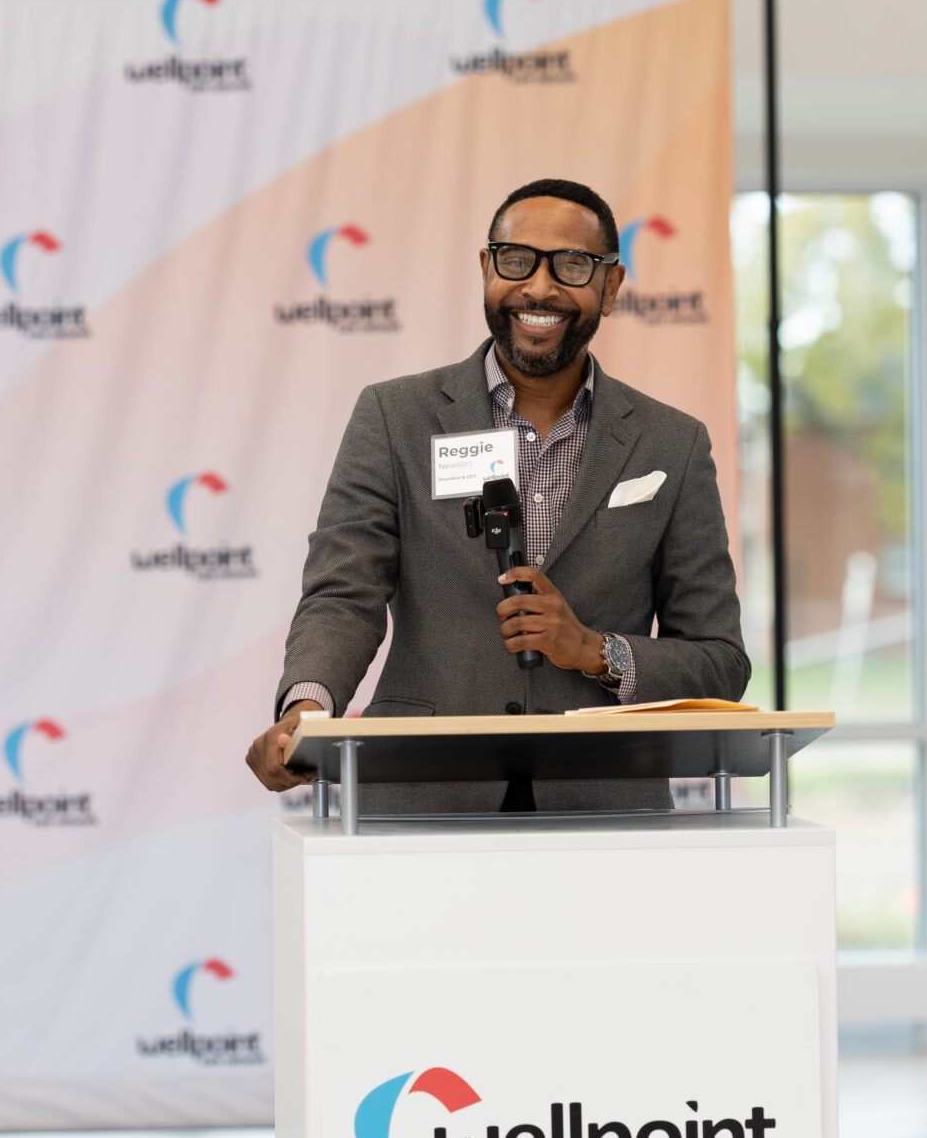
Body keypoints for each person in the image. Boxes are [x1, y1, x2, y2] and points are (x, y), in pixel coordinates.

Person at [244, 177, 748, 813]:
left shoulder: (671, 443)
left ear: (612, 285)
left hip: (604, 806)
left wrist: (596, 652)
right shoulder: (395, 417)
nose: (540, 287)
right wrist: (308, 707)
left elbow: (719, 661)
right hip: (422, 797)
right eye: (517, 260)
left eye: (572, 265)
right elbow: (345, 591)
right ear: (486, 268)